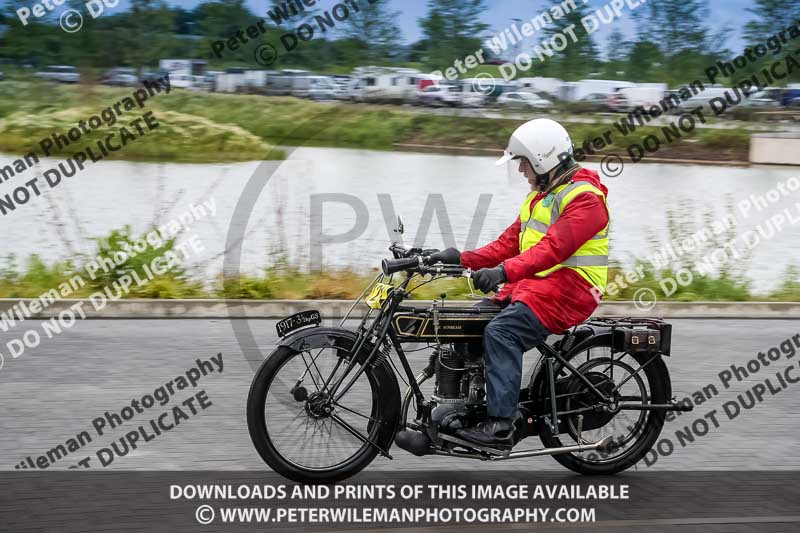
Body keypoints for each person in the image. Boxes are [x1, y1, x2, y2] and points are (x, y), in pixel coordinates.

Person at [427, 118, 610, 449]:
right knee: (466, 323)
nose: (522, 171)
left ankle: (500, 426)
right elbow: (507, 243)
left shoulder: (586, 199)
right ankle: (462, 412)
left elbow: (553, 249)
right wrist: (458, 258)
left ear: (544, 159)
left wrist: (503, 273)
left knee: (502, 332)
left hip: (572, 289)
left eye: (523, 163)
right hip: (536, 286)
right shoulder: (539, 197)